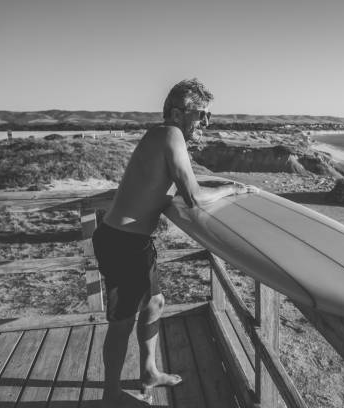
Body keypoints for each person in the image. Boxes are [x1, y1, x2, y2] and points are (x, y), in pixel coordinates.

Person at [92, 78, 258, 407]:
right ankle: (110, 395)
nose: (207, 122)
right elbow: (194, 197)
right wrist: (234, 189)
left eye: (209, 115)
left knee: (154, 304)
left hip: (132, 241)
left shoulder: (162, 135)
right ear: (178, 112)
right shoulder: (171, 135)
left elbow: (184, 184)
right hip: (123, 242)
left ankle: (149, 372)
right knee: (122, 322)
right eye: (202, 114)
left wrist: (218, 183)